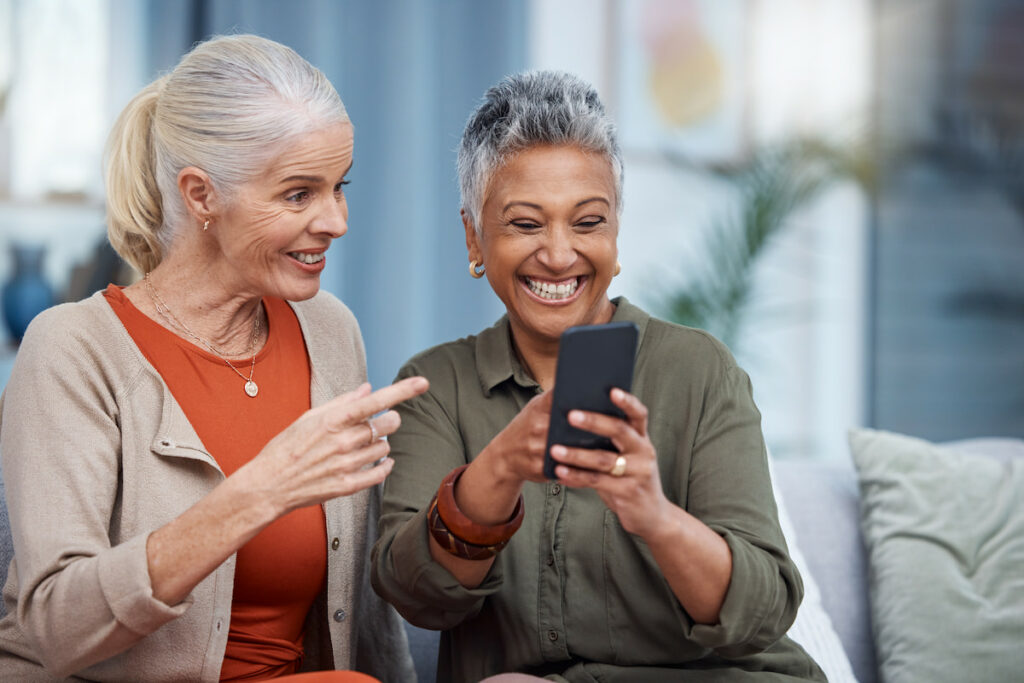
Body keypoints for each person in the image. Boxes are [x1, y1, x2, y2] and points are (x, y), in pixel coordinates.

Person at [371, 71, 827, 682]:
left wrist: (654, 515)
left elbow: (761, 614)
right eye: (526, 224)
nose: (559, 255)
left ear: (614, 233)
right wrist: (499, 468)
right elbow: (417, 598)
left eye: (587, 222)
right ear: (473, 236)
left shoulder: (698, 370)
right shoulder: (434, 389)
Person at [0, 35, 427, 681]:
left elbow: (360, 610)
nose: (336, 220)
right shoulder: (72, 348)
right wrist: (259, 490)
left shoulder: (328, 328)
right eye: (297, 194)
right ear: (201, 195)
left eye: (339, 187)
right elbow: (59, 624)